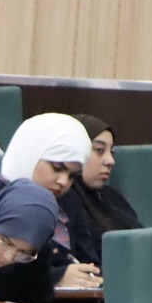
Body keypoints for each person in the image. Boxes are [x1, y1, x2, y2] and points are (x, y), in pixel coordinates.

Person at [0, 113, 100, 290]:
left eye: (72, 175)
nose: (63, 181)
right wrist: (56, 277)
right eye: (57, 168)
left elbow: (88, 258)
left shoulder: (69, 200)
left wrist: (88, 275)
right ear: (30, 154)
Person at [60, 114, 142, 269]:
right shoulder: (64, 201)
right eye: (99, 150)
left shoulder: (113, 197)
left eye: (111, 152)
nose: (110, 161)